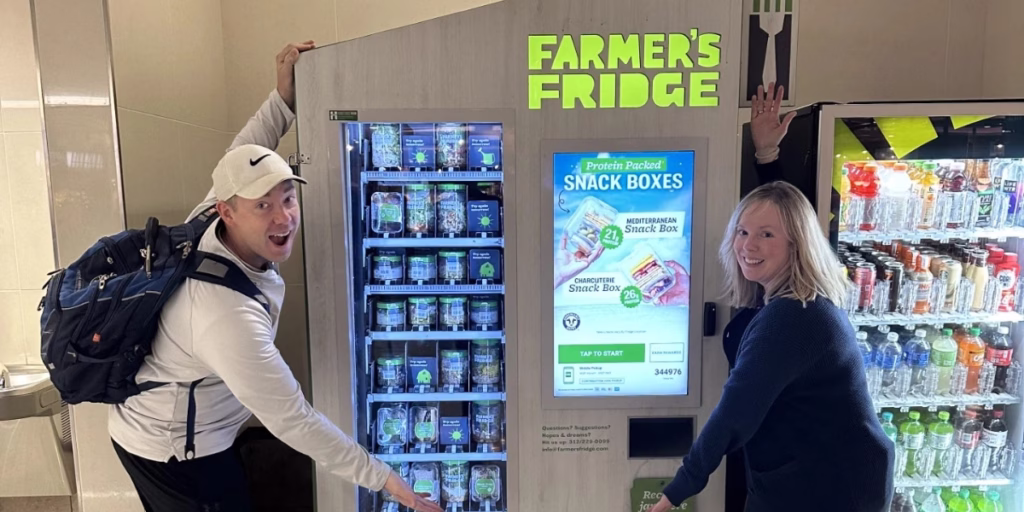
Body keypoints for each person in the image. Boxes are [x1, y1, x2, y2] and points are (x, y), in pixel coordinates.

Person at [107, 41, 442, 512]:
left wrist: (283, 100)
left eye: (288, 197)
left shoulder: (210, 217)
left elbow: (247, 151)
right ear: (229, 210)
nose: (283, 218)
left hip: (182, 425)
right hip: (174, 452)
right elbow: (294, 420)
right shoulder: (226, 316)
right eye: (263, 206)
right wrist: (386, 480)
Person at [650, 127, 894, 510]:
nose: (749, 245)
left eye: (766, 235)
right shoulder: (777, 300)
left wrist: (674, 493)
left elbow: (736, 410)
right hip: (801, 476)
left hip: (829, 489)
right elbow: (780, 208)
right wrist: (767, 155)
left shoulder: (793, 317)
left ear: (797, 244)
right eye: (743, 232)